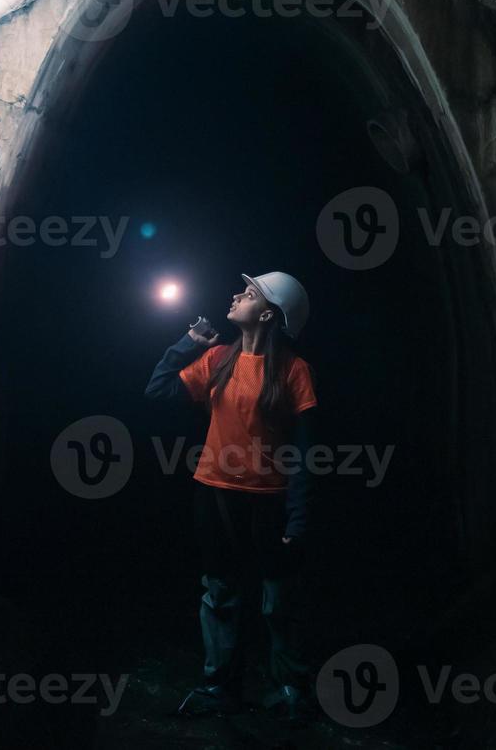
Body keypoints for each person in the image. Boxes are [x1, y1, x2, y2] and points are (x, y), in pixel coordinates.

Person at [144, 271, 320, 726]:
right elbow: (158, 389)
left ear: (266, 313)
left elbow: (303, 453)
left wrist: (298, 520)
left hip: (270, 501)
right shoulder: (218, 358)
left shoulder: (293, 370)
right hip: (215, 493)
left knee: (278, 600)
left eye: (249, 293)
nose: (237, 295)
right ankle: (219, 688)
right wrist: (188, 343)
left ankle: (291, 690)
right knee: (220, 594)